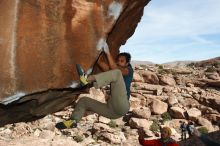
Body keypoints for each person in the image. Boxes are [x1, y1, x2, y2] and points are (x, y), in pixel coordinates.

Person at [55, 43, 134, 129]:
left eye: (122, 61)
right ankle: (73, 120)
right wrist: (98, 53)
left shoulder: (128, 70)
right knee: (84, 101)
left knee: (116, 73)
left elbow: (116, 70)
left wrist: (107, 52)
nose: (119, 62)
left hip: (122, 106)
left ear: (127, 63)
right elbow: (103, 65)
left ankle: (86, 79)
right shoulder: (114, 72)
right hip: (111, 111)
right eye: (118, 60)